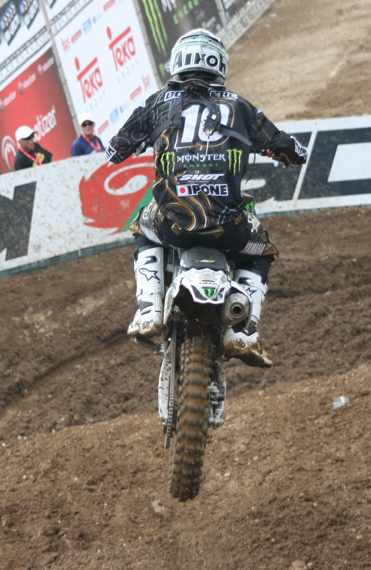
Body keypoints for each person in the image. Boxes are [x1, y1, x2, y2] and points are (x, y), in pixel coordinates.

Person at [106, 29, 308, 368]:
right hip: (227, 226)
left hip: (173, 222)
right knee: (261, 251)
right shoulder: (239, 106)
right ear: (219, 66)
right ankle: (244, 330)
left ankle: (149, 308)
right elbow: (293, 149)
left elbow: (114, 151)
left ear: (177, 63)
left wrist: (143, 139)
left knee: (143, 225)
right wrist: (286, 153)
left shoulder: (156, 103)